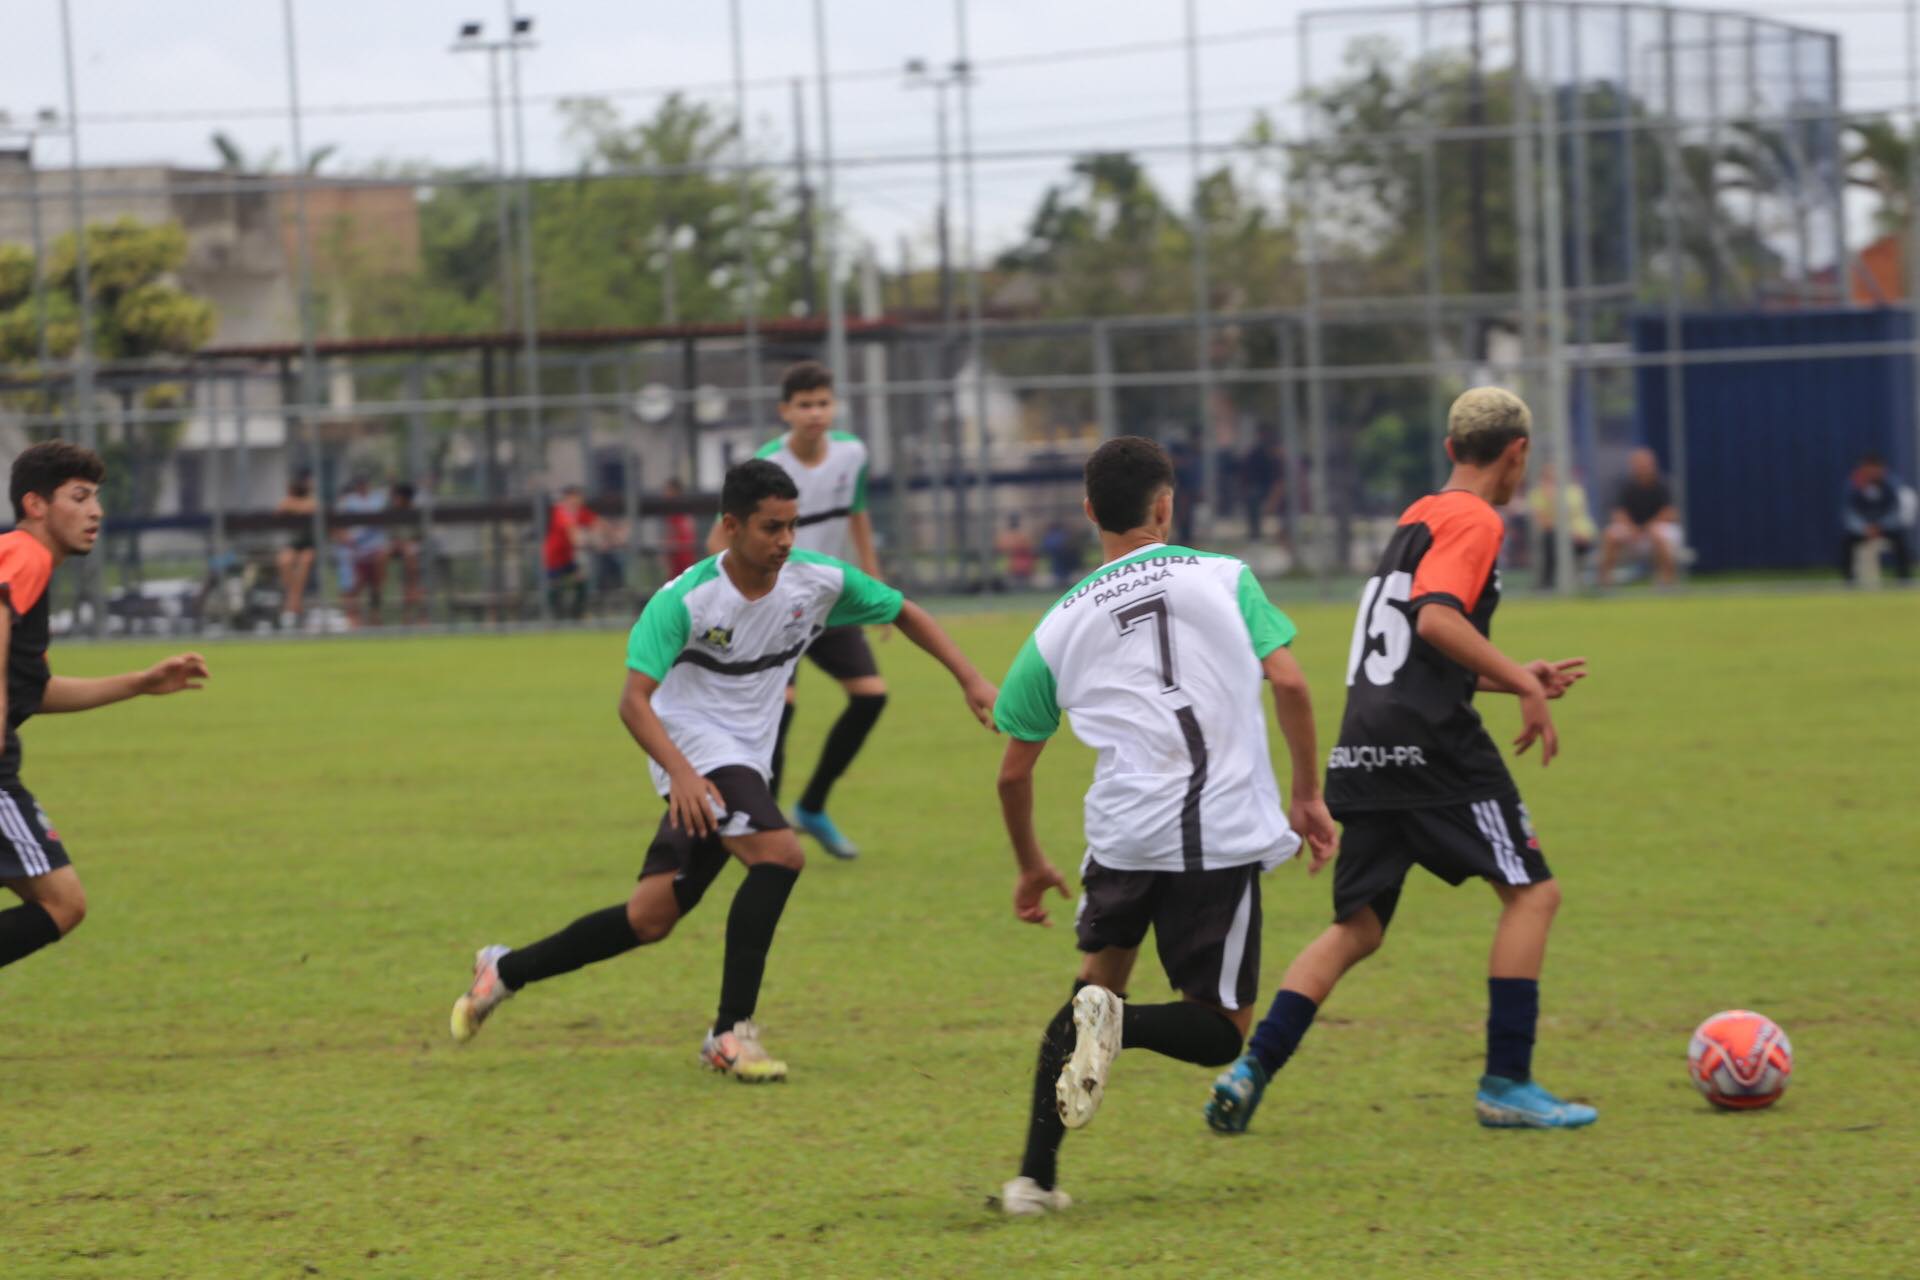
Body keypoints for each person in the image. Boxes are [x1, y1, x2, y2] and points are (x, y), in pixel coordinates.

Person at [450, 459, 999, 1081]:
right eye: (771, 527)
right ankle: (729, 1033)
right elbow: (633, 702)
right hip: (691, 750)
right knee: (781, 856)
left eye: (791, 526)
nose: (786, 540)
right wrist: (682, 774)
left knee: (649, 918)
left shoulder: (815, 581)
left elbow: (902, 610)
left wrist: (970, 678)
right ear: (732, 526)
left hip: (744, 760)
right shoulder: (685, 601)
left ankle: (504, 970)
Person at [1207, 387, 1595, 1136]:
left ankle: (1250, 1069)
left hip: (1365, 743)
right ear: (1517, 453)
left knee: (1358, 927)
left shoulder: (1418, 517)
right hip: (1431, 745)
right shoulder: (1476, 519)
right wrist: (1522, 686)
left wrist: (1512, 671)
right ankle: (1507, 1083)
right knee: (1532, 895)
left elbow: (1413, 645)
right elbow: (1437, 618)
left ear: (1451, 449)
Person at [990, 436, 1337, 1215]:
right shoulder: (1226, 576)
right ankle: (1121, 1026)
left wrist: (1031, 863)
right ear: (1166, 506)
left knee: (1092, 987)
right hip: (1218, 827)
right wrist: (1308, 794)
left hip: (1124, 832)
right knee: (1221, 1031)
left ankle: (1033, 1181)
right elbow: (1289, 682)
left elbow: (1013, 772)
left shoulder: (1057, 624)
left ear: (1089, 512)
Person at [0, 441, 210, 978]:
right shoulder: (24, 553)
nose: (95, 511)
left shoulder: (29, 569)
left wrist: (139, 683)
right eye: (79, 497)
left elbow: (32, 692)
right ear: (35, 505)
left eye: (96, 497)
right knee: (61, 903)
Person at [709, 361, 885, 860]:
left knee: (871, 696)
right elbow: (720, 539)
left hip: (825, 601)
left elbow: (857, 515)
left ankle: (811, 807)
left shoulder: (853, 453)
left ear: (835, 406)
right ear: (785, 411)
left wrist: (873, 584)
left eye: (822, 403)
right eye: (804, 405)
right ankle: (760, 823)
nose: (815, 413)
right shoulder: (768, 464)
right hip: (775, 607)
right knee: (779, 709)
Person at [1598, 447, 1680, 587]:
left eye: (1645, 463)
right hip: (1632, 533)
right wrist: (1633, 529)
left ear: (1653, 464)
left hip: (1657, 530)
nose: (1642, 467)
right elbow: (1618, 513)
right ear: (1632, 466)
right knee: (1610, 535)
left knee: (1657, 533)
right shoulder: (1624, 485)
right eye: (1638, 463)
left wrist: (1647, 528)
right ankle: (1604, 581)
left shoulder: (1663, 484)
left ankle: (1667, 581)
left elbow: (1670, 513)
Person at [1840, 452, 1913, 583]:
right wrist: (1864, 528)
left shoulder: (1891, 484)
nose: (1872, 472)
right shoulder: (1853, 485)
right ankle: (1849, 580)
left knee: (1901, 541)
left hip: (1885, 527)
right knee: (1846, 542)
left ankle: (1904, 578)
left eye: (1875, 468)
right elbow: (1849, 512)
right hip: (1863, 529)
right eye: (1869, 468)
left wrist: (1881, 526)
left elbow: (1895, 509)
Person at [1528, 462, 1596, 590]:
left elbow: (1572, 514)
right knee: (1549, 538)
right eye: (1548, 476)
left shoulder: (1574, 490)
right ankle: (1548, 582)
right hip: (1555, 536)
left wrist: (1574, 533)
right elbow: (1543, 522)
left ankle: (1574, 580)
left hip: (1580, 536)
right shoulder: (1537, 494)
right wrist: (1550, 498)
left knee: (1559, 541)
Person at [335, 475, 390, 627]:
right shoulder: (347, 501)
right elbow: (337, 527)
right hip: (353, 550)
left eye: (365, 483)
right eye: (359, 484)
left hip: (374, 548)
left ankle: (375, 614)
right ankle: (352, 618)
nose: (363, 486)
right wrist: (346, 540)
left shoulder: (378, 499)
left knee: (376, 583)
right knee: (353, 585)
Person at [543, 485, 598, 620]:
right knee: (555, 585)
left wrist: (616, 533)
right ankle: (554, 617)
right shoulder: (560, 511)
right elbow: (571, 531)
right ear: (567, 499)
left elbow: (597, 522)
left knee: (581, 580)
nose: (578, 501)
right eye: (574, 498)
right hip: (554, 558)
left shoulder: (580, 512)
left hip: (567, 558)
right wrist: (584, 540)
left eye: (579, 498)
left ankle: (577, 614)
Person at [274, 473, 317, 627]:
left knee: (305, 560)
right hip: (294, 545)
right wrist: (295, 504)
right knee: (284, 560)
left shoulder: (311, 501)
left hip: (311, 545)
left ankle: (291, 605)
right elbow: (281, 508)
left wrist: (296, 506)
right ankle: (295, 603)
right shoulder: (288, 501)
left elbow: (310, 507)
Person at [386, 482, 427, 625]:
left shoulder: (416, 512)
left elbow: (420, 536)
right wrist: (400, 544)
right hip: (400, 549)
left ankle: (420, 616)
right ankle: (407, 615)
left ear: (405, 498)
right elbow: (392, 536)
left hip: (415, 551)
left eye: (397, 497)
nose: (395, 499)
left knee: (413, 580)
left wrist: (408, 544)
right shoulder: (393, 512)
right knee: (408, 582)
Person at [661, 477, 698, 579]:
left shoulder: (678, 511)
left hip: (681, 555)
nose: (665, 494)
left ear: (675, 492)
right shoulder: (675, 511)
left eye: (668, 490)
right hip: (679, 555)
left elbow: (677, 533)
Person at [994, 514, 1036, 590]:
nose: (1013, 522)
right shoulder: (1006, 535)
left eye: (1015, 520)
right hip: (1009, 564)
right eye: (1013, 520)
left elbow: (1028, 548)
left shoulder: (1022, 535)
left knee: (1021, 584)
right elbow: (1000, 548)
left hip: (1021, 564)